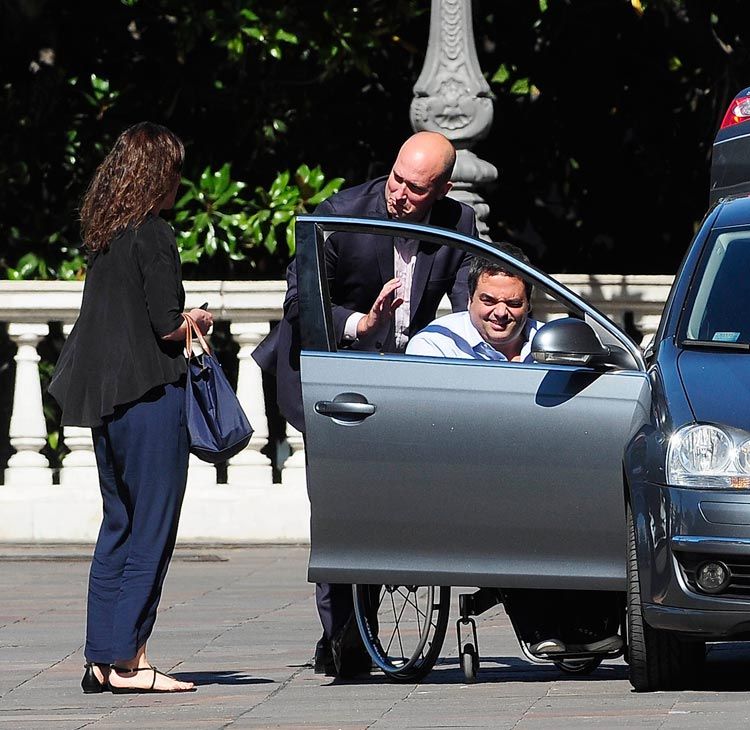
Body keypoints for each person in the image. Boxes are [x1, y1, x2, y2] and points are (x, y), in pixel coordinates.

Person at [251, 130, 478, 679]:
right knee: (341, 510)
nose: (400, 195)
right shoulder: (340, 213)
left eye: (417, 188)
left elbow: (474, 302)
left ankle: (367, 624)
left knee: (391, 505)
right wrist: (362, 324)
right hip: (335, 375)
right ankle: (343, 637)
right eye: (397, 179)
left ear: (443, 189)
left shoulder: (459, 222)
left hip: (406, 381)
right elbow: (299, 303)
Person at [49, 122, 212, 694]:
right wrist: (198, 322)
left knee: (118, 524)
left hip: (106, 400)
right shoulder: (155, 236)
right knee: (151, 529)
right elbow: (168, 326)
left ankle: (102, 656)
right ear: (161, 176)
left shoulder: (106, 234)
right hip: (149, 396)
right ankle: (130, 662)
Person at [406, 245, 626, 657]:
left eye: (513, 302)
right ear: (469, 298)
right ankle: (540, 624)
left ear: (528, 304)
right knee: (512, 501)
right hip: (465, 476)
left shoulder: (552, 341)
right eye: (488, 301)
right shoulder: (436, 346)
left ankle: (591, 622)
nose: (500, 312)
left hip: (547, 470)